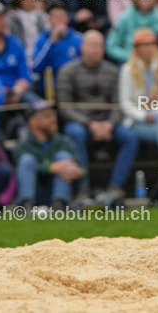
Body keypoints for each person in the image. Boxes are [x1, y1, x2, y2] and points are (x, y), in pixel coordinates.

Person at [57, 31, 139, 199]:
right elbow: (64, 107)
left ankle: (116, 187)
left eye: (100, 46)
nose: (96, 50)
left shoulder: (112, 71)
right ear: (82, 48)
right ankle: (83, 187)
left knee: (130, 137)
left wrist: (110, 124)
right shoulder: (67, 71)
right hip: (80, 122)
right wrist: (90, 124)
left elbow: (119, 104)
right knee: (75, 132)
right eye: (92, 46)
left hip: (108, 123)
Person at [14, 100, 83, 212]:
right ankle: (26, 206)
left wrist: (75, 171)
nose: (53, 119)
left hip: (61, 188)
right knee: (26, 160)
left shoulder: (64, 141)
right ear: (33, 121)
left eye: (54, 115)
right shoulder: (22, 146)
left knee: (63, 156)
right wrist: (51, 168)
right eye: (47, 116)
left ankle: (59, 205)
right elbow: (24, 169)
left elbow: (81, 170)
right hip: (36, 191)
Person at [118, 28, 158, 147]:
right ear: (137, 48)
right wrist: (144, 116)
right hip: (139, 120)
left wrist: (157, 113)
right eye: (145, 45)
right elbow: (125, 103)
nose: (149, 48)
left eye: (152, 44)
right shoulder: (127, 70)